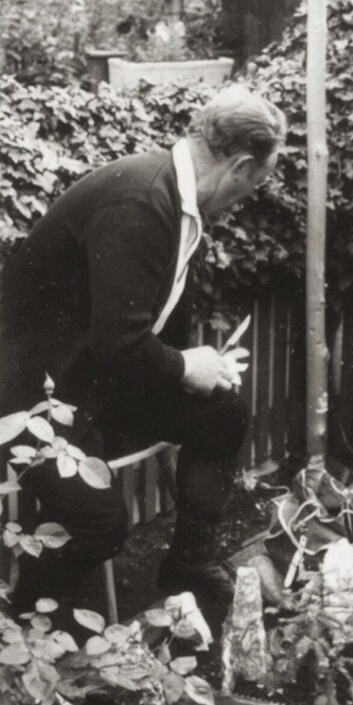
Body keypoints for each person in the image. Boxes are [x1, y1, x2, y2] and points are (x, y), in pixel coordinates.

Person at [1, 85, 287, 610]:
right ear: (241, 166)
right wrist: (183, 366)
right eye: (253, 186)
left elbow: (131, 334)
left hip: (95, 376)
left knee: (221, 412)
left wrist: (200, 369)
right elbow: (119, 342)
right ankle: (18, 622)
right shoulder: (138, 202)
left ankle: (189, 563)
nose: (244, 198)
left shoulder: (176, 197)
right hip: (33, 399)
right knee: (101, 523)